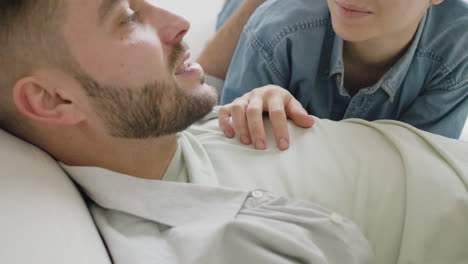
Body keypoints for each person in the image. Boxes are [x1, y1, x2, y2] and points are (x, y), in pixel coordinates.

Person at [0, 1, 467, 264]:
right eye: (127, 17)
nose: (177, 21)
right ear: (53, 100)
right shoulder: (209, 242)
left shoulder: (178, 118)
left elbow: (212, 77)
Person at [199, 0, 468, 141]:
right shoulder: (275, 30)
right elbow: (228, 150)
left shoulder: (458, 49)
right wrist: (254, 109)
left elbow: (419, 167)